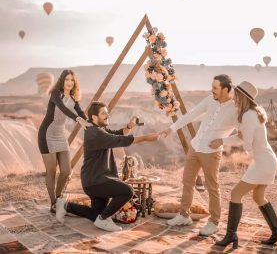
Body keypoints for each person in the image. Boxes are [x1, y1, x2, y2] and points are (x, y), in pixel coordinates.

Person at [56, 101, 160, 232]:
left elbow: (118, 133)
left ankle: (65, 206)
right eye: (104, 113)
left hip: (94, 180)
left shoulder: (99, 129)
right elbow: (120, 140)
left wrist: (129, 126)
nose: (107, 115)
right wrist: (147, 138)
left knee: (95, 214)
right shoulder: (95, 133)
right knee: (127, 191)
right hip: (96, 180)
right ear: (94, 117)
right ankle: (104, 219)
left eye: (107, 113)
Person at [160, 74, 238, 236]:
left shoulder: (236, 109)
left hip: (211, 153)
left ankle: (214, 222)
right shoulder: (209, 100)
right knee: (187, 182)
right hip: (195, 147)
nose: (212, 90)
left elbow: (244, 135)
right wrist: (171, 128)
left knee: (212, 187)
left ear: (226, 89)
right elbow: (192, 114)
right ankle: (183, 215)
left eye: (215, 88)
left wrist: (223, 141)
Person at [210, 81, 277, 249]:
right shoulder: (254, 112)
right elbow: (243, 137)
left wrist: (240, 149)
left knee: (236, 193)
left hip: (262, 161)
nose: (234, 97)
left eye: (236, 94)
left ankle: (230, 236)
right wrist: (223, 141)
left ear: (242, 97)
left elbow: (246, 142)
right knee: (258, 197)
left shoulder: (247, 116)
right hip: (267, 159)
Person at [38, 69, 90, 213]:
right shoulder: (56, 94)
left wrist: (91, 123)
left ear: (75, 82)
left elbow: (80, 113)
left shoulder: (73, 98)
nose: (69, 82)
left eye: (72, 80)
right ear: (62, 81)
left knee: (66, 171)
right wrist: (78, 119)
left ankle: (59, 197)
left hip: (60, 135)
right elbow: (63, 109)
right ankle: (54, 202)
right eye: (67, 79)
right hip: (47, 134)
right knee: (52, 171)